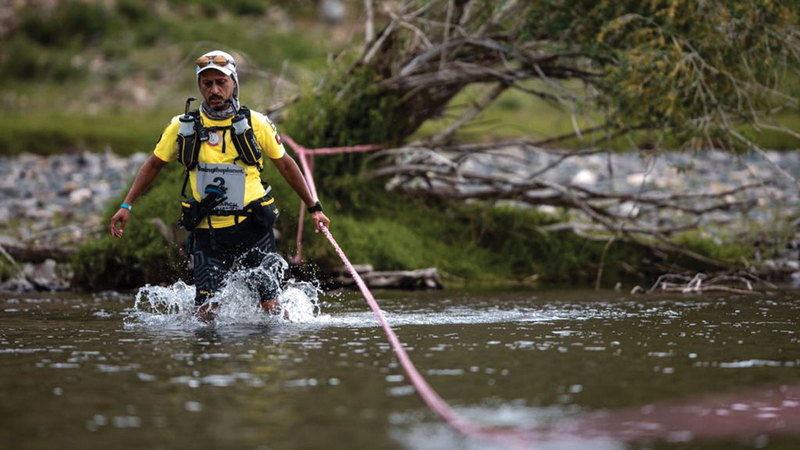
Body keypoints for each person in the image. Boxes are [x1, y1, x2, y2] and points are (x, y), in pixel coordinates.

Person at [109, 50, 329, 320]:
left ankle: (269, 355)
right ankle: (209, 361)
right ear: (200, 86)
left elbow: (286, 164)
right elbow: (153, 165)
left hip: (254, 229)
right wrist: (126, 204)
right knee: (205, 313)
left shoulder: (256, 123)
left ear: (234, 83)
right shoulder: (181, 127)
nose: (214, 89)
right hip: (208, 233)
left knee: (271, 309)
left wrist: (314, 207)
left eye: (221, 82)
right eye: (207, 83)